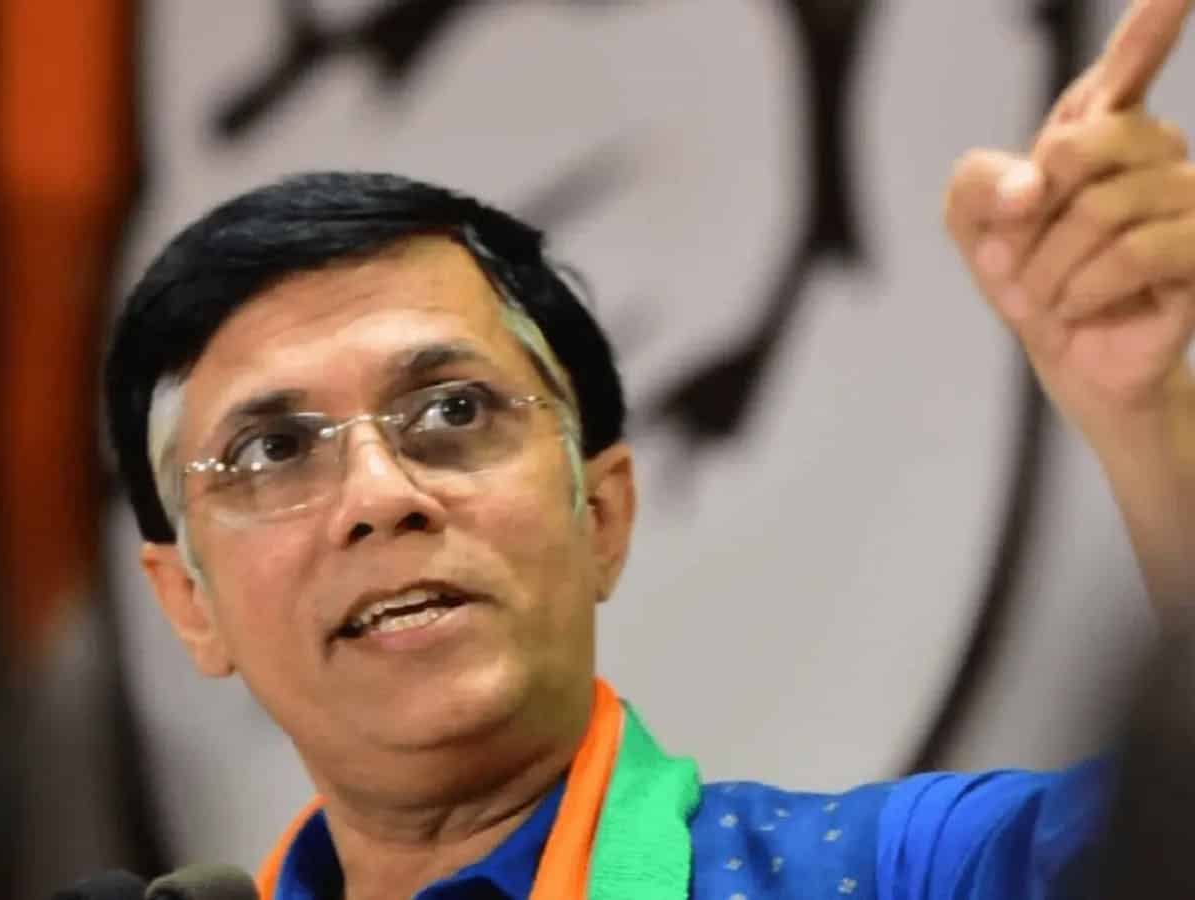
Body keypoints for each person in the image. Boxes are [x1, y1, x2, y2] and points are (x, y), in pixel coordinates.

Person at [102, 0, 1195, 897]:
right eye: (274, 450)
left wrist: (1145, 410)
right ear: (189, 602)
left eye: (453, 412)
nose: (380, 495)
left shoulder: (897, 873)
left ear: (603, 513)